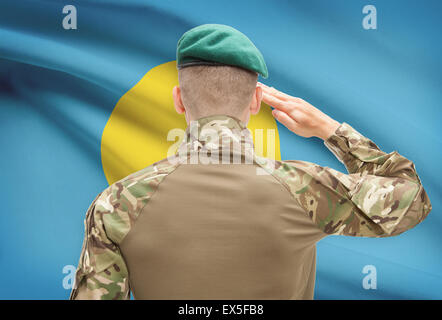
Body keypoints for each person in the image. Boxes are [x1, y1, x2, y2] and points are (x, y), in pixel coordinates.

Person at [70, 24, 431, 300]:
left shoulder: (115, 204)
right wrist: (330, 130)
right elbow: (411, 198)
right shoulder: (305, 188)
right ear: (257, 100)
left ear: (179, 100)